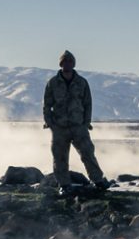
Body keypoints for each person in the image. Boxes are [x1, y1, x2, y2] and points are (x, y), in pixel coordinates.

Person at [41, 49, 108, 191]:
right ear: (61, 64)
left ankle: (98, 181)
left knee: (88, 154)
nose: (67, 64)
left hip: (78, 126)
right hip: (59, 127)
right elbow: (47, 105)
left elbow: (87, 103)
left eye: (70, 61)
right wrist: (51, 123)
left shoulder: (81, 82)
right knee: (60, 157)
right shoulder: (53, 83)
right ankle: (64, 185)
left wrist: (85, 123)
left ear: (74, 64)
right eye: (65, 61)